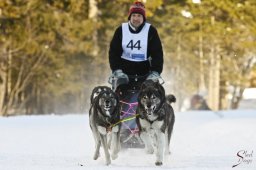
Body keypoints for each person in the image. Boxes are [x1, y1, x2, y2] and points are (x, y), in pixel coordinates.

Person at [108, 0, 164, 90]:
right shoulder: (121, 30)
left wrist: (155, 72)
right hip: (123, 73)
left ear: (143, 17)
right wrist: (117, 70)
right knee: (120, 93)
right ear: (130, 17)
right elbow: (114, 52)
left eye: (139, 16)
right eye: (134, 15)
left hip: (145, 73)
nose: (136, 18)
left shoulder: (151, 31)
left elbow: (157, 54)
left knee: (151, 92)